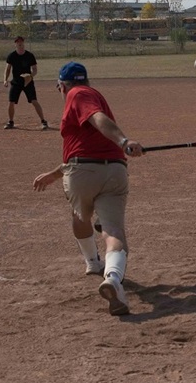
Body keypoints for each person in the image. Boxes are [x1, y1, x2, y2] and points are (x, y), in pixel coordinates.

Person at [32, 62, 144, 316]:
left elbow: (96, 120)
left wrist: (124, 140)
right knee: (113, 231)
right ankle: (113, 279)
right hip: (114, 170)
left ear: (63, 85)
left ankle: (93, 262)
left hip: (82, 174)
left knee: (80, 216)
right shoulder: (91, 94)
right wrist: (54, 174)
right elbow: (87, 146)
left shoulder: (77, 94)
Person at [3, 36, 48, 130]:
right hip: (16, 82)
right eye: (18, 42)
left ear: (24, 43)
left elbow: (35, 70)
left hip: (28, 82)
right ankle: (10, 122)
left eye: (21, 42)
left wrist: (30, 76)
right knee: (11, 102)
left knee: (34, 101)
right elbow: (8, 69)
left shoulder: (29, 55)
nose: (20, 44)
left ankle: (44, 121)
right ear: (15, 44)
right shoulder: (12, 56)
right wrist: (5, 79)